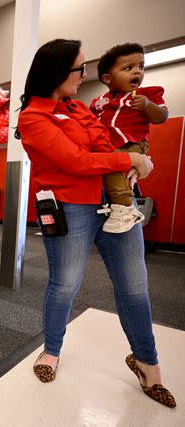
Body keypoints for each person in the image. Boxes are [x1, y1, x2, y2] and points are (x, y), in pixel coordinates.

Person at [17, 39, 175, 408]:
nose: (85, 75)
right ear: (57, 73)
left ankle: (147, 364)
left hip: (115, 202)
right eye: (79, 69)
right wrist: (128, 163)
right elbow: (74, 161)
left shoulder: (78, 107)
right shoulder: (32, 117)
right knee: (65, 284)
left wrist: (129, 164)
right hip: (69, 207)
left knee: (135, 286)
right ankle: (51, 351)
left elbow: (102, 142)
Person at [90, 42, 169, 233]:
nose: (137, 72)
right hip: (109, 145)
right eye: (128, 68)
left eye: (141, 67)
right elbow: (90, 121)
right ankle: (115, 203)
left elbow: (162, 117)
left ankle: (125, 208)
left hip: (133, 142)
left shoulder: (146, 95)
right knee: (108, 165)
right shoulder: (100, 101)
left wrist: (148, 106)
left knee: (114, 165)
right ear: (108, 79)